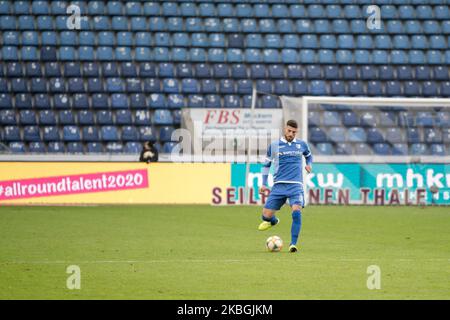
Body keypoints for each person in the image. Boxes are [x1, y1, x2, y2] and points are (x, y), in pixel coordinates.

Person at [258, 119, 313, 253]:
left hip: (296, 185)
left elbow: (309, 156)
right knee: (265, 215)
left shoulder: (302, 144)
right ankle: (272, 221)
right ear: (284, 129)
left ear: (296, 132)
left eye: (294, 132)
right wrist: (264, 183)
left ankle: (293, 244)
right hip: (279, 186)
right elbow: (266, 165)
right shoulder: (274, 145)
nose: (291, 134)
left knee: (296, 211)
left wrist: (309, 164)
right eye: (289, 131)